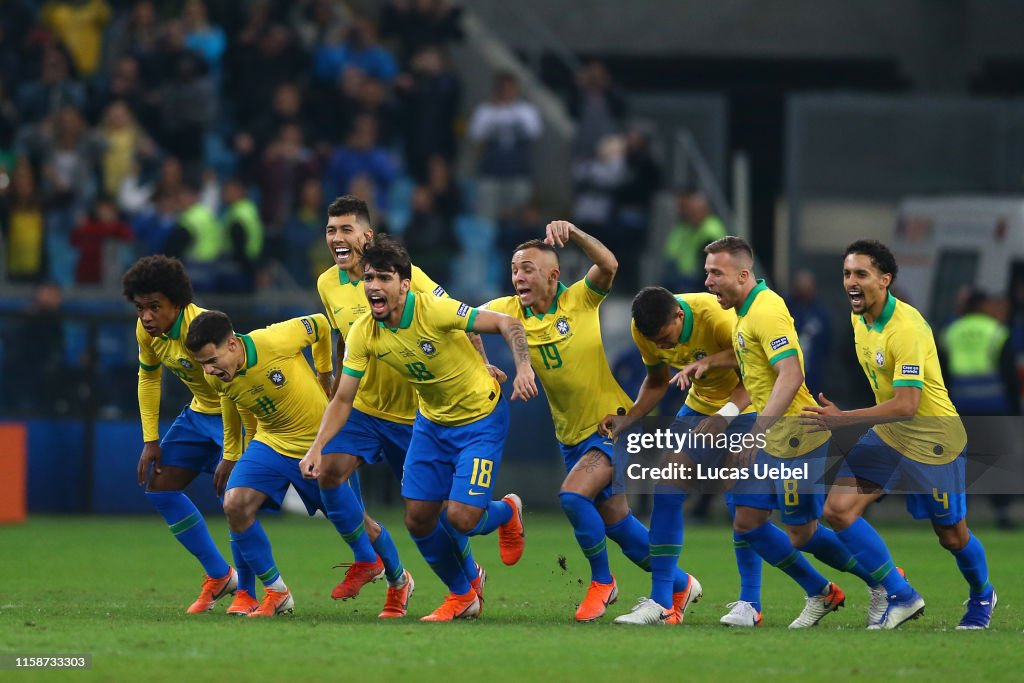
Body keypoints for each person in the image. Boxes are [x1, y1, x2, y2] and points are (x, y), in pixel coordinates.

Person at [301, 236, 534, 622]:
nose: (374, 285)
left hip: (479, 420)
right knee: (419, 518)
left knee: (460, 518)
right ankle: (462, 596)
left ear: (404, 285)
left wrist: (522, 365)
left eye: (384, 278)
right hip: (431, 423)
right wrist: (316, 448)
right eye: (369, 278)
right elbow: (343, 399)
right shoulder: (363, 332)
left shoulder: (435, 311)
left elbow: (507, 323)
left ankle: (507, 512)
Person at [484, 221, 699, 623]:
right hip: (569, 436)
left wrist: (576, 234)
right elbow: (460, 323)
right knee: (616, 522)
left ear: (553, 275)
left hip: (611, 426)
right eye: (514, 268)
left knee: (572, 496)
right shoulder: (506, 310)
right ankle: (680, 584)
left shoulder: (580, 299)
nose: (518, 276)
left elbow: (609, 264)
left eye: (528, 268)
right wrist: (485, 364)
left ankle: (603, 581)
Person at [803, 240, 996, 630]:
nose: (851, 282)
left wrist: (844, 419)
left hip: (932, 439)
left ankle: (982, 594)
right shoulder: (859, 318)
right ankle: (900, 593)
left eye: (861, 274)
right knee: (837, 510)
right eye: (846, 274)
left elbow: (908, 404)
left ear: (885, 280)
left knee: (952, 536)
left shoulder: (906, 328)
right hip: (889, 436)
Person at [698, 236, 881, 628]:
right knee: (747, 521)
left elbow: (792, 373)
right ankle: (820, 591)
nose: (708, 280)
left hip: (798, 437)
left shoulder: (767, 310)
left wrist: (756, 432)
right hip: (774, 437)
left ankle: (884, 583)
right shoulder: (743, 313)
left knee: (803, 533)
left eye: (716, 272)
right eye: (707, 271)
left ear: (743, 274)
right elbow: (753, 367)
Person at [604, 285, 758, 626]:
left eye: (665, 337)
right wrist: (630, 418)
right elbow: (657, 381)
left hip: (749, 404)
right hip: (700, 406)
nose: (662, 346)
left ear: (678, 315)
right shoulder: (644, 329)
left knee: (743, 508)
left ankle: (752, 602)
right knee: (666, 489)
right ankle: (662, 602)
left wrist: (725, 416)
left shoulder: (717, 318)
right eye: (654, 342)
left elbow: (756, 368)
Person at [122, 255, 256, 616]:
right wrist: (151, 440)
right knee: (160, 487)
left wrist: (232, 451)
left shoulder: (203, 327)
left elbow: (236, 386)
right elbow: (148, 377)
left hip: (237, 414)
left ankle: (249, 591)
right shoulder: (147, 332)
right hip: (199, 415)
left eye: (155, 307)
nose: (146, 316)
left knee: (238, 501)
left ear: (177, 302)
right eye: (140, 308)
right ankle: (219, 575)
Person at [184, 309, 334, 618]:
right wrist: (233, 453)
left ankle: (397, 578)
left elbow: (320, 324)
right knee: (236, 503)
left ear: (233, 345)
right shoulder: (216, 377)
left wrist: (324, 374)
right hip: (272, 441)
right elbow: (234, 400)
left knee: (353, 520)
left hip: (319, 439)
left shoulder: (274, 339)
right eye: (202, 365)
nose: (209, 371)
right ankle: (274, 592)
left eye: (212, 361)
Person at [664, 189, 726, 292]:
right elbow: (671, 252)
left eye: (693, 212)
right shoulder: (688, 226)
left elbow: (707, 265)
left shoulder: (711, 230)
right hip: (684, 276)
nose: (690, 215)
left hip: (700, 279)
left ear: (703, 211)